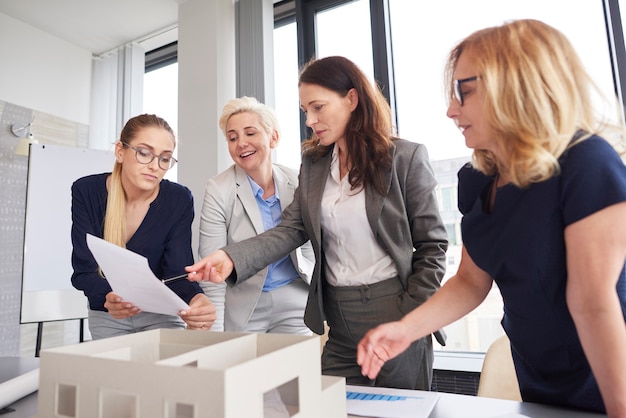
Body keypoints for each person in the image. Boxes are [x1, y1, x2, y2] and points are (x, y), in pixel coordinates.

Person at [356, 19, 626, 417]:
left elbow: (592, 304)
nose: (451, 110)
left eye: (464, 92)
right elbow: (470, 282)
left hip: (607, 377)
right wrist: (405, 330)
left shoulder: (587, 163)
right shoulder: (480, 181)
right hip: (539, 380)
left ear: (517, 87)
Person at [185, 55, 448, 390]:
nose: (310, 120)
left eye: (318, 107)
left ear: (352, 99)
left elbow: (433, 245)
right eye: (304, 110)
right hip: (339, 317)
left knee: (400, 410)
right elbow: (292, 228)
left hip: (395, 308)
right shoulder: (314, 162)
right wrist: (231, 258)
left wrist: (412, 314)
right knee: (325, 404)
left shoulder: (405, 158)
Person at [71, 113, 216, 340]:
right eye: (144, 153)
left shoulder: (178, 199)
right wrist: (108, 297)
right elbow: (84, 270)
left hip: (162, 316)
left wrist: (197, 299)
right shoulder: (86, 191)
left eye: (165, 158)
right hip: (108, 317)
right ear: (120, 151)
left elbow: (177, 269)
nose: (154, 166)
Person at [198, 96, 314, 334]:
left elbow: (309, 248)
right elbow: (213, 270)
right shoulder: (218, 189)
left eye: (250, 133)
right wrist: (215, 333)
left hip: (295, 297)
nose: (241, 143)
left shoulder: (299, 181)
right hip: (244, 304)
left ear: (274, 137)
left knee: (299, 367)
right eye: (232, 137)